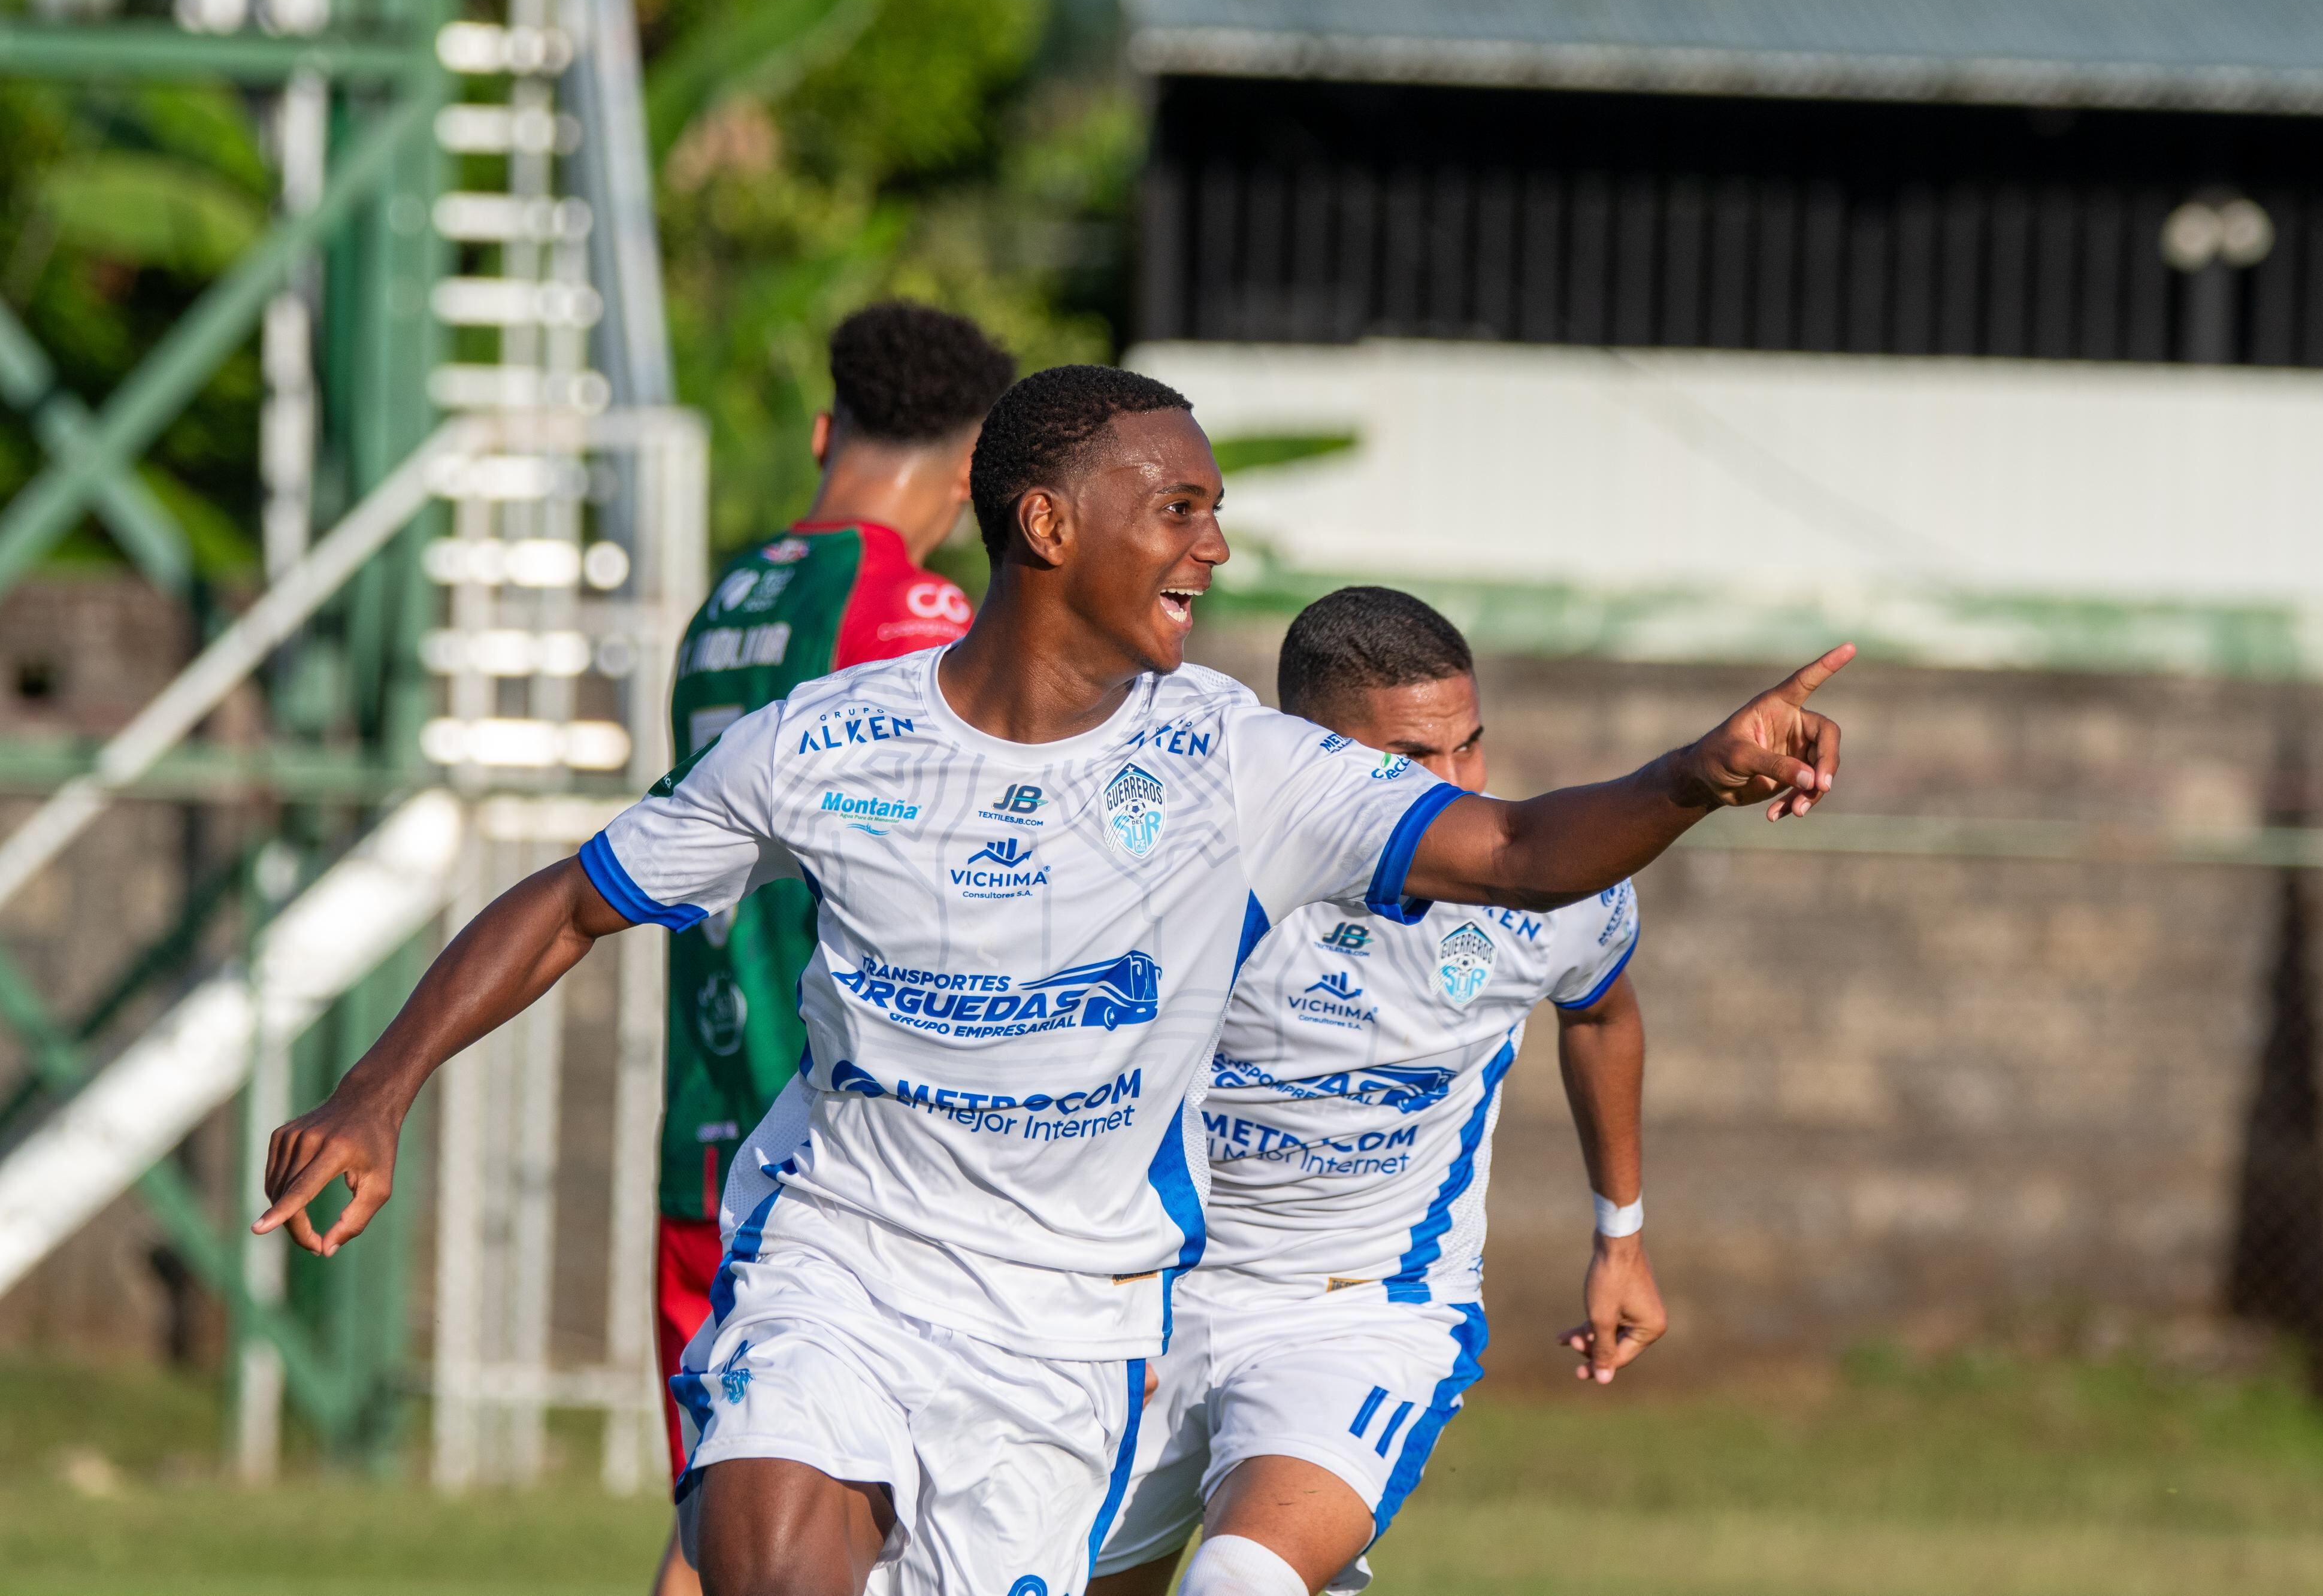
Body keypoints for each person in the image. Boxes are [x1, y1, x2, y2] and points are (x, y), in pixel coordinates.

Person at [256, 364, 1849, 1596]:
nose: (1214, 543)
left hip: (1072, 1331)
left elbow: (1513, 849)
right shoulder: (832, 740)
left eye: (1217, 510)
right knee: (773, 1543)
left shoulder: (1234, 759)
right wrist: (375, 1086)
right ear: (1048, 522)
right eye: (1179, 505)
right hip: (850, 1246)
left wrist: (1696, 774)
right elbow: (577, 898)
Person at [1090, 587, 1665, 1596]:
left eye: (1468, 747)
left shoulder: (1541, 889)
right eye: (1408, 762)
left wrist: (1621, 1235)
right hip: (1140, 1307)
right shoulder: (1188, 874)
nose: (1452, 788)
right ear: (1301, 759)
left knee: (1238, 1581)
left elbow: (1603, 1013)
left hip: (1361, 1311)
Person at [647, 301, 1015, 1596]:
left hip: (703, 1111)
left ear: (822, 432)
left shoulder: (728, 596)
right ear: (975, 477)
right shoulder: (912, 611)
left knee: (718, 1529)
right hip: (835, 1162)